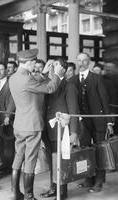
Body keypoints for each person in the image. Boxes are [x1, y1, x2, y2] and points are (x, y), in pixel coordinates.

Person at [9, 48, 65, 200]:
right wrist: (58, 75)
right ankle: (28, 196)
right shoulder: (27, 79)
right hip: (32, 125)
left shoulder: (13, 77)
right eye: (33, 63)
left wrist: (43, 74)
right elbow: (49, 88)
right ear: (28, 63)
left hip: (19, 124)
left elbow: (33, 83)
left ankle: (15, 193)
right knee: (31, 160)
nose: (34, 66)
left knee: (18, 157)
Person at [70, 52, 113, 193]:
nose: (81, 63)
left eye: (84, 60)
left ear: (88, 63)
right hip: (83, 122)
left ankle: (99, 181)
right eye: (79, 60)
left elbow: (104, 100)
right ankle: (89, 179)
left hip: (98, 120)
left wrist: (109, 122)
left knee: (100, 150)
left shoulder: (97, 78)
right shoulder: (73, 80)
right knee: (86, 151)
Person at [40, 58, 79, 200]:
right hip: (49, 129)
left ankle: (62, 192)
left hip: (61, 130)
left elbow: (73, 110)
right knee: (52, 161)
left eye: (55, 65)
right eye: (51, 65)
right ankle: (53, 188)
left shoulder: (69, 86)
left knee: (61, 163)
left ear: (62, 69)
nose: (52, 67)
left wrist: (74, 132)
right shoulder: (49, 84)